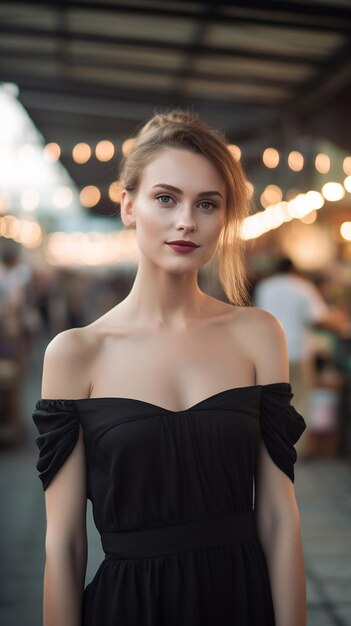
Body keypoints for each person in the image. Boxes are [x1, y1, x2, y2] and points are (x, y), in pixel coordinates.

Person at [32, 110, 307, 626]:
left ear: (225, 217)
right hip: (129, 608)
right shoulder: (75, 353)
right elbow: (64, 544)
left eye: (207, 203)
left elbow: (278, 517)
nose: (187, 221)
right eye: (166, 198)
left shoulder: (258, 333)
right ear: (128, 206)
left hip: (241, 604)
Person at [253, 256, 337, 457]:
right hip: (298, 351)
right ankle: (297, 449)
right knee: (301, 398)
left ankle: (272, 444)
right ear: (294, 270)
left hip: (269, 351)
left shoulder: (265, 287)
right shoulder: (303, 287)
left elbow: (258, 315)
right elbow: (317, 318)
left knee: (272, 399)